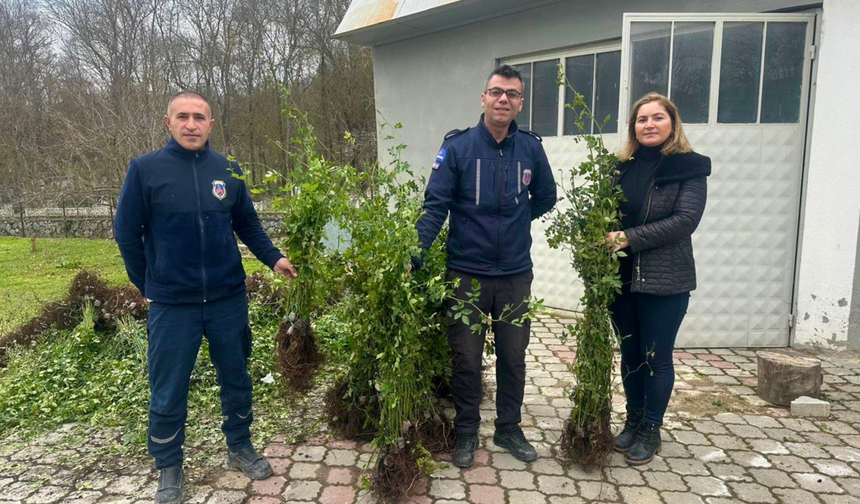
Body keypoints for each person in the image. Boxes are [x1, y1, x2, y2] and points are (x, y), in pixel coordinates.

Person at [114, 91, 297, 504]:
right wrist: (149, 284)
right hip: (172, 305)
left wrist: (274, 258)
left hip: (226, 297)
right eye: (183, 117)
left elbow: (247, 223)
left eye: (199, 117)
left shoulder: (227, 169)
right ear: (168, 122)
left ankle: (239, 446)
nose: (191, 124)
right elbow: (126, 233)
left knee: (236, 377)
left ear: (211, 124)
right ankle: (169, 465)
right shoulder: (145, 170)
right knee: (168, 387)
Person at [412, 65, 557, 468]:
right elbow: (434, 207)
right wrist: (413, 253)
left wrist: (512, 222)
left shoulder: (530, 148)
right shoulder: (457, 147)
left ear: (520, 102)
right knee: (466, 359)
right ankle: (466, 431)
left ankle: (509, 429)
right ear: (483, 97)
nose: (503, 99)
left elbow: (545, 196)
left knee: (514, 357)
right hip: (466, 274)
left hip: (514, 276)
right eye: (496, 92)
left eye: (512, 94)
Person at [606, 92, 710, 465]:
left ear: (672, 123)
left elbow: (685, 221)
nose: (648, 124)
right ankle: (632, 421)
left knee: (656, 356)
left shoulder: (689, 167)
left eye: (657, 118)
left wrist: (627, 238)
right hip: (621, 280)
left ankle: (652, 428)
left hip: (665, 280)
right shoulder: (620, 167)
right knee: (631, 352)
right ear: (634, 126)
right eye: (641, 119)